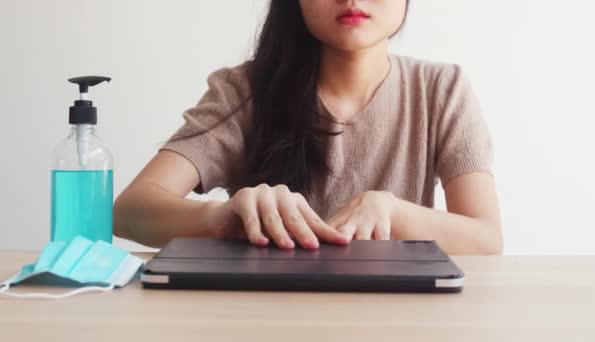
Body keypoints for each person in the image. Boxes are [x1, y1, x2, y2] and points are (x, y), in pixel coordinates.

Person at [114, 0, 503, 255]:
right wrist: (221, 217)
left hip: (397, 318)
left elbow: (486, 240)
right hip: (263, 318)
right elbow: (129, 211)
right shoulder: (243, 92)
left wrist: (393, 212)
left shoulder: (441, 89)